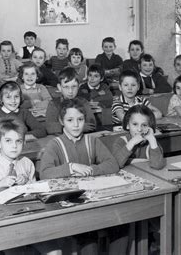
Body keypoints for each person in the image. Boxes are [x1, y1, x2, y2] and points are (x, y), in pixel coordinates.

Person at [38, 99, 119, 255]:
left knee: (120, 224)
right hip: (69, 206)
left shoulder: (92, 140)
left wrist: (91, 170)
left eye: (80, 120)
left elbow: (112, 164)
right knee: (88, 236)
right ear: (61, 121)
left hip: (92, 201)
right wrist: (71, 167)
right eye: (70, 120)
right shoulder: (54, 144)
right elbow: (45, 173)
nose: (76, 125)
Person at [0, 119, 61, 255]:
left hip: (27, 220)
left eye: (18, 141)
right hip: (0, 225)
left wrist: (27, 186)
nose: (14, 146)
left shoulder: (27, 164)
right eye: (8, 141)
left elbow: (37, 196)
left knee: (55, 251)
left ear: (24, 143)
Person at [105, 104, 165, 254]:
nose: (139, 129)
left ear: (150, 127)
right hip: (124, 191)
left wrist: (151, 140)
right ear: (127, 125)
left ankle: (154, 243)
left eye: (144, 125)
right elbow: (116, 163)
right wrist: (132, 143)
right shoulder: (121, 141)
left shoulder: (152, 144)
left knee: (159, 212)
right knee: (122, 224)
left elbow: (157, 164)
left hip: (147, 191)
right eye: (135, 124)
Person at [45, 67, 97, 135]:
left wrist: (63, 127)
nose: (70, 91)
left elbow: (91, 125)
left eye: (74, 86)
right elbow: (50, 127)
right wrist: (79, 127)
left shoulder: (84, 102)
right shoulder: (54, 104)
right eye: (66, 87)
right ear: (59, 87)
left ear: (79, 86)